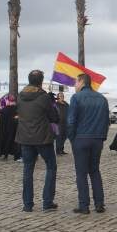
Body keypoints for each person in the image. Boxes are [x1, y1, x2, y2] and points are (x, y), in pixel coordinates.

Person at [16, 70, 60, 212]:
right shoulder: (44, 97)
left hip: (25, 137)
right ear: (41, 81)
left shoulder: (20, 96)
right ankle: (47, 201)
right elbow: (54, 117)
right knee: (51, 166)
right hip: (42, 138)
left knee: (28, 170)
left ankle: (27, 204)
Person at [67, 74, 110, 214]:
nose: (74, 85)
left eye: (75, 82)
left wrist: (72, 138)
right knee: (95, 171)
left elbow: (71, 121)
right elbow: (106, 121)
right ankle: (99, 204)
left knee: (81, 173)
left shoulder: (76, 98)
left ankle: (84, 205)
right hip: (97, 139)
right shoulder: (102, 99)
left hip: (81, 138)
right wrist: (102, 137)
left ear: (81, 81)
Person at [0, 95, 21, 161]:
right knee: (16, 142)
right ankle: (16, 156)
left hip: (6, 128)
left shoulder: (4, 109)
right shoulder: (17, 109)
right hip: (15, 128)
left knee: (7, 141)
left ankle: (5, 155)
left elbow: (1, 120)